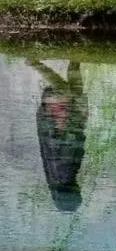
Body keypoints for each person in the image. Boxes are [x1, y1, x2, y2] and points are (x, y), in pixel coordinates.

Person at [29, 59, 88, 213]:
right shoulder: (55, 177)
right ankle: (74, 60)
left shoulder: (64, 173)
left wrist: (70, 114)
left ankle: (34, 63)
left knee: (70, 93)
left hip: (57, 108)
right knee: (76, 93)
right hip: (51, 111)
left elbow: (67, 137)